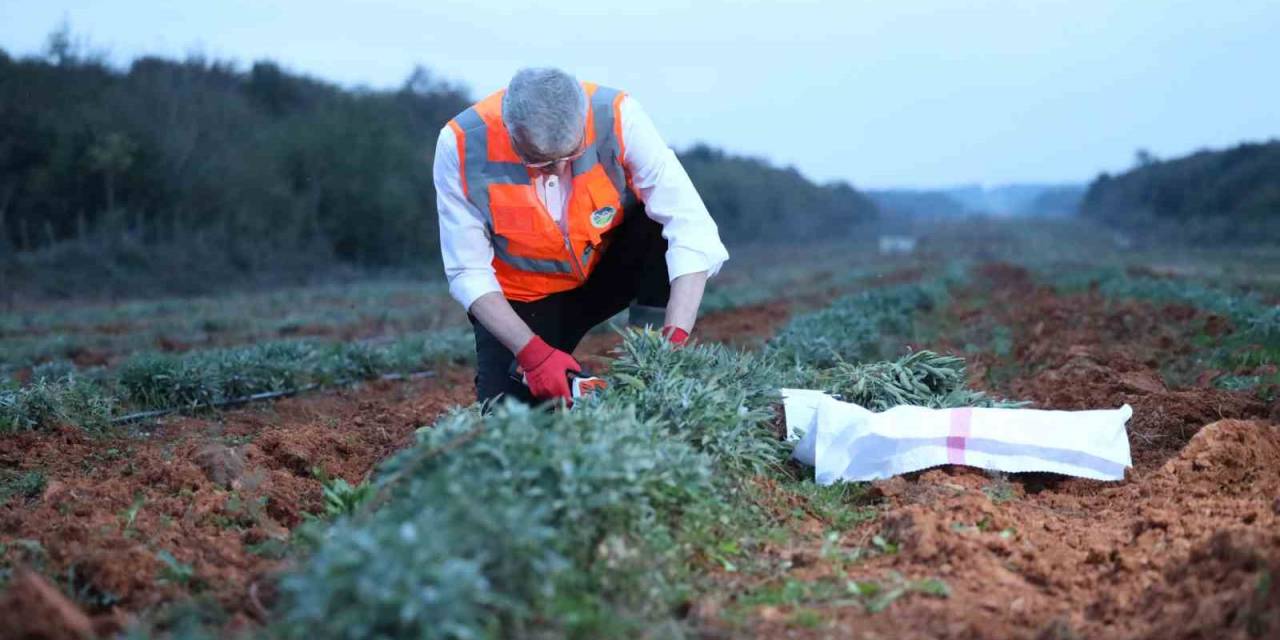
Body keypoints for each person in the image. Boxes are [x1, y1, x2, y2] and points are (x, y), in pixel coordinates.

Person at [433, 67, 728, 405]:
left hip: (606, 272)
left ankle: (647, 362)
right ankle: (564, 383)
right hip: (526, 300)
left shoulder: (618, 116)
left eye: (570, 156)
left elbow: (691, 226)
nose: (558, 170)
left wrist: (672, 342)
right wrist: (533, 353)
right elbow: (467, 271)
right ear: (511, 132)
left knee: (659, 224)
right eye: (541, 163)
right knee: (508, 415)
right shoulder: (459, 145)